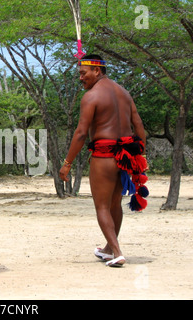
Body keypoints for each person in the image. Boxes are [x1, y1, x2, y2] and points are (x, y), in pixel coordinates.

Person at [59, 54, 147, 267]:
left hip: (104, 157)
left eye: (83, 73)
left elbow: (81, 133)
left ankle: (117, 252)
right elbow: (139, 127)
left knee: (102, 207)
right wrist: (140, 157)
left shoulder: (91, 96)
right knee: (115, 204)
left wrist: (67, 163)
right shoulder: (124, 93)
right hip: (125, 158)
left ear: (96, 70)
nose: (81, 78)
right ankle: (108, 249)